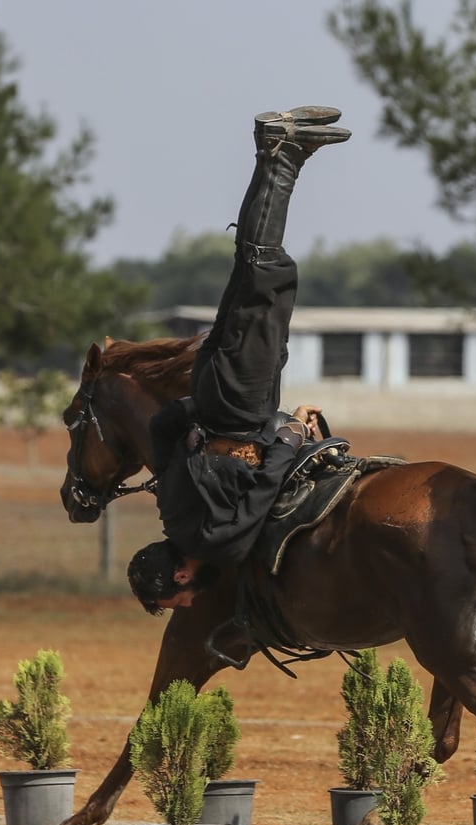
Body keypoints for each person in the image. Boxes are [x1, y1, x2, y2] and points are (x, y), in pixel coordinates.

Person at [128, 106, 352, 613]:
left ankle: (280, 153)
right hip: (214, 390)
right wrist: (203, 411)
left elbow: (266, 485)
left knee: (266, 273)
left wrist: (292, 431)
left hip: (242, 405)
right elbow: (164, 424)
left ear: (180, 575)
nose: (184, 605)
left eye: (175, 601)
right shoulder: (172, 512)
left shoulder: (219, 546)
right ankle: (280, 153)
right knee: (251, 270)